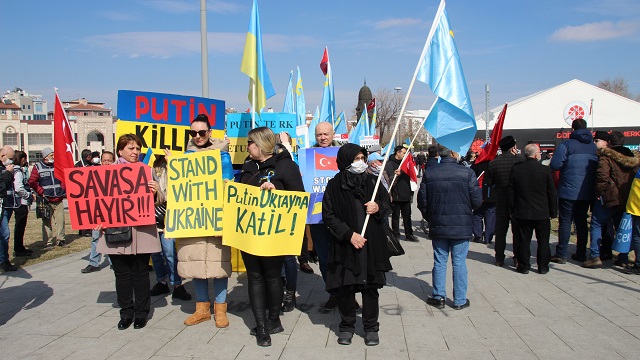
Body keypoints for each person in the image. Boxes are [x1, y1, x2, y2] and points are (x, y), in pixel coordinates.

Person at [239, 127, 305, 347]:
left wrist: (276, 190)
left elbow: (298, 198)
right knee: (255, 277)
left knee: (273, 276)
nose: (247, 146)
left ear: (261, 144)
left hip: (274, 233)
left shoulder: (286, 166)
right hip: (249, 232)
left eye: (250, 142)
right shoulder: (248, 166)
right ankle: (262, 327)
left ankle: (274, 319)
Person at [322, 143, 392, 346]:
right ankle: (347, 326)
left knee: (370, 288)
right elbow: (329, 215)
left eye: (362, 158)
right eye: (355, 159)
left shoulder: (373, 181)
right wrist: (348, 234)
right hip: (346, 245)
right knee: (346, 288)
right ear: (345, 161)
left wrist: (378, 206)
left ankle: (371, 327)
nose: (360, 163)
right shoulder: (334, 185)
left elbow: (387, 205)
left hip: (371, 245)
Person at [96, 134, 161, 330]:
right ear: (120, 151)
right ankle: (126, 313)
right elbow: (97, 201)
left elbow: (161, 200)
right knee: (122, 274)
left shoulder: (147, 171)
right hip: (116, 230)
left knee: (141, 273)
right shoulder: (107, 172)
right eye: (131, 148)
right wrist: (98, 220)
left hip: (141, 231)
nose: (135, 152)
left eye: (138, 148)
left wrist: (156, 191)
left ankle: (142, 313)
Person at [176, 114, 232, 328]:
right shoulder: (184, 157)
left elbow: (228, 185)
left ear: (210, 132)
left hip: (215, 217)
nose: (198, 136)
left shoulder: (222, 154)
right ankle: (201, 309)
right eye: (193, 133)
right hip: (193, 219)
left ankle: (220, 309)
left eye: (202, 132)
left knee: (218, 265)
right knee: (195, 264)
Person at [418, 144, 481, 310]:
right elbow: (477, 201)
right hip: (461, 225)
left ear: (440, 154)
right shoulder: (467, 173)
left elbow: (422, 201)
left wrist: (430, 217)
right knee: (459, 262)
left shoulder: (430, 173)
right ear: (453, 153)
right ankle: (459, 299)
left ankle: (439, 296)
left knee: (440, 260)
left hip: (439, 224)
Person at [585, 131, 640, 268]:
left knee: (596, 224)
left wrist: (598, 192)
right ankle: (623, 257)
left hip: (609, 197)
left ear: (609, 142)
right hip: (626, 198)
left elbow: (602, 176)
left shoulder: (606, 157)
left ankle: (595, 256)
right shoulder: (633, 157)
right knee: (623, 228)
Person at [550, 118, 598, 263]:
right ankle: (581, 253)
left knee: (565, 221)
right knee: (582, 221)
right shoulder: (593, 147)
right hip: (587, 190)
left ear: (572, 129)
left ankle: (561, 254)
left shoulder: (566, 145)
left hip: (568, 190)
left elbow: (556, 164)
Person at [147, 155, 192, 299]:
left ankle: (177, 284)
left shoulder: (175, 161)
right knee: (156, 254)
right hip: (151, 215)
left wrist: (172, 161)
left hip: (169, 215)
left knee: (170, 252)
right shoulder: (149, 164)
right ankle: (161, 281)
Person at [509, 144, 557, 274]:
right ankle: (543, 266)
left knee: (524, 240)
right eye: (539, 152)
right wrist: (553, 211)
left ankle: (524, 266)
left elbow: (512, 191)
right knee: (543, 241)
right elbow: (551, 192)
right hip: (541, 212)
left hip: (523, 211)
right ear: (535, 154)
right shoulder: (544, 170)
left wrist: (512, 209)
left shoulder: (517, 170)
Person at [310, 121, 342, 312]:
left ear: (333, 134)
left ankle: (346, 294)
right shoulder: (308, 155)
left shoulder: (342, 154)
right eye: (319, 134)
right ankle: (333, 293)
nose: (322, 137)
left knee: (343, 258)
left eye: (326, 134)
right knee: (324, 259)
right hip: (317, 219)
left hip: (339, 217)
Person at [484, 135, 523, 266]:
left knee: (500, 231)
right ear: (513, 147)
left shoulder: (494, 163)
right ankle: (517, 257)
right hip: (517, 201)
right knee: (517, 231)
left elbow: (489, 183)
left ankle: (499, 258)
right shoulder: (520, 161)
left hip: (501, 200)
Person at [82, 151, 115, 273]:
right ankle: (94, 263)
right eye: (104, 160)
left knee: (112, 237)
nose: (106, 162)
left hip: (112, 212)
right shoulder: (94, 174)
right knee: (96, 237)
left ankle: (113, 262)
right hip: (98, 211)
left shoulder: (117, 174)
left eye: (109, 160)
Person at [29, 147, 68, 249]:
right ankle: (48, 241)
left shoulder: (57, 166)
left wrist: (63, 189)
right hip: (46, 199)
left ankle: (61, 240)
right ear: (46, 157)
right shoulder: (38, 167)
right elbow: (32, 181)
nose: (54, 157)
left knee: (60, 221)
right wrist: (41, 192)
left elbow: (63, 178)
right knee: (46, 221)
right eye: (51, 155)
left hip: (58, 198)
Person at [385, 145, 418, 242]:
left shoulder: (406, 163)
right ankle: (396, 234)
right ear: (397, 153)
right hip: (396, 195)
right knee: (395, 216)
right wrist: (396, 175)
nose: (405, 155)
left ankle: (409, 234)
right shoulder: (390, 164)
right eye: (403, 153)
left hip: (406, 193)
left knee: (407, 215)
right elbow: (389, 180)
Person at [5, 151, 34, 258]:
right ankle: (18, 248)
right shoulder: (17, 171)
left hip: (15, 201)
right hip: (20, 202)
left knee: (19, 226)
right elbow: (18, 188)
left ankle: (19, 247)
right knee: (20, 225)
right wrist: (28, 196)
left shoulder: (13, 169)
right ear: (22, 159)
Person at [0, 146, 18, 272]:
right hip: (1, 205)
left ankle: (3, 259)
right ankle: (3, 260)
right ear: (2, 156)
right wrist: (8, 173)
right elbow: (1, 186)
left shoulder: (4, 168)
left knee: (4, 234)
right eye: (10, 159)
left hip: (6, 204)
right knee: (4, 233)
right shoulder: (5, 170)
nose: (11, 162)